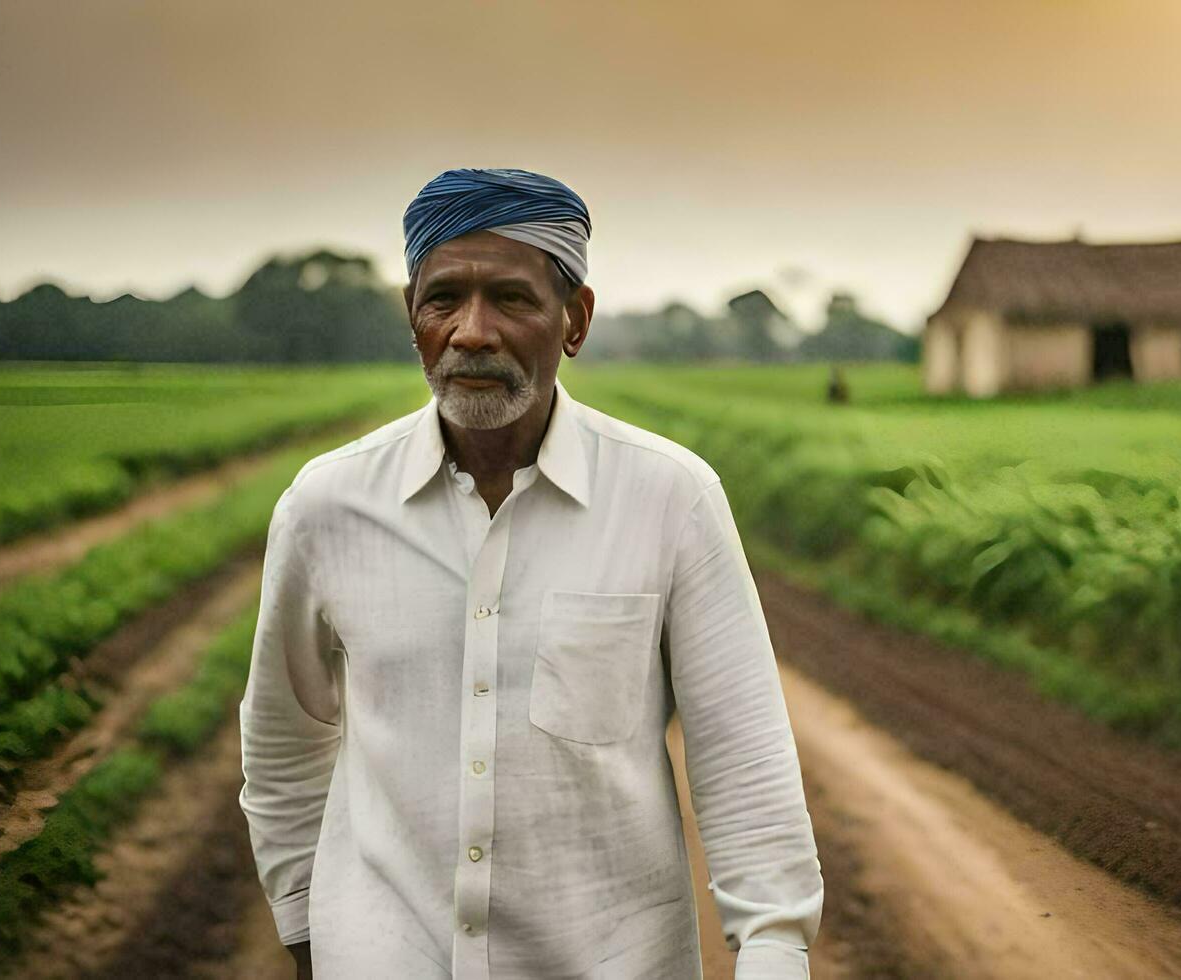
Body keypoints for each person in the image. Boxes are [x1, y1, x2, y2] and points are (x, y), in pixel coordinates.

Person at [238, 167, 823, 979]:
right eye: (444, 299)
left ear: (574, 320)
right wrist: (305, 927)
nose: (472, 332)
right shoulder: (326, 506)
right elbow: (284, 733)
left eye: (511, 299)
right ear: (413, 317)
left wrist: (773, 947)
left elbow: (743, 757)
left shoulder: (669, 498)